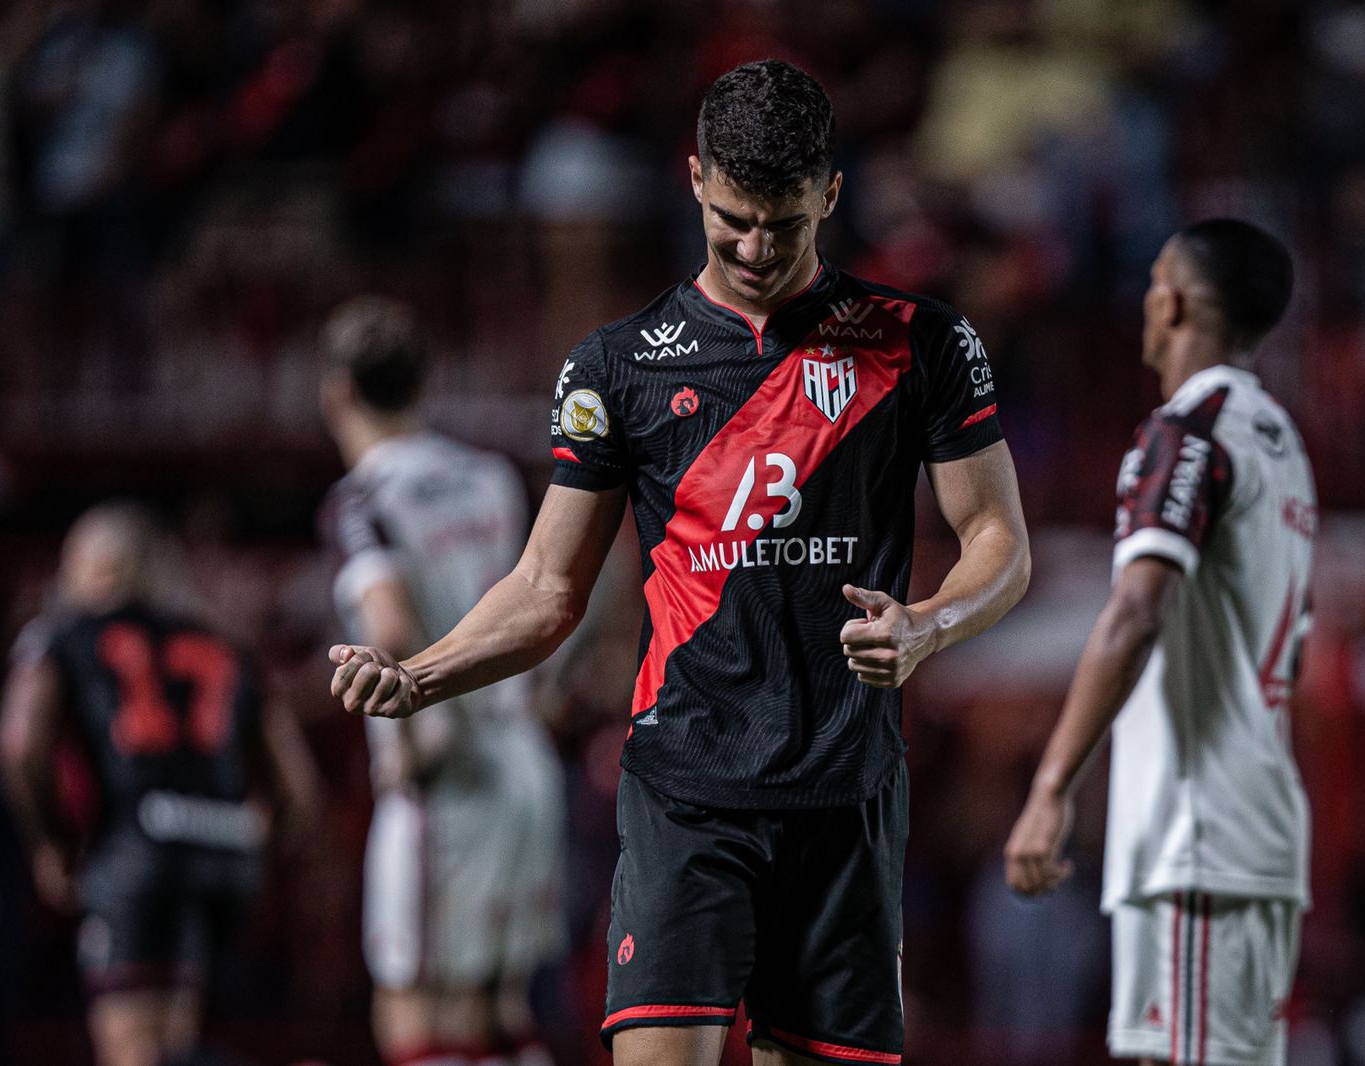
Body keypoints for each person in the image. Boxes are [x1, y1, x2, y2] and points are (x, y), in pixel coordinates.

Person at [331, 59, 1030, 1066]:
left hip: (846, 793)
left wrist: (928, 623)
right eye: (734, 219)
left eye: (784, 225)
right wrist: (419, 674)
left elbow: (999, 542)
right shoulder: (616, 367)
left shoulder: (918, 343)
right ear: (695, 177)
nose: (756, 249)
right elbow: (547, 587)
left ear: (831, 195)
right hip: (685, 791)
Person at [1004, 219, 1315, 1066]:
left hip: (1198, 831)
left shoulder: (1189, 431)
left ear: (1172, 300)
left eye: (1151, 284)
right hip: (1242, 823)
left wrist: (1051, 786)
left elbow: (1135, 611)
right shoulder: (1282, 445)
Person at [318, 295, 565, 1066]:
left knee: (416, 1006)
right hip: (522, 761)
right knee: (500, 1007)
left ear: (337, 392)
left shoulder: (362, 500)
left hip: (447, 771)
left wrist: (409, 739)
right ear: (423, 384)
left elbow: (388, 630)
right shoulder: (490, 475)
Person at [0, 502, 318, 1066]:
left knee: (133, 1050)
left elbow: (21, 747)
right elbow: (297, 788)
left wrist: (52, 842)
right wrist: (253, 847)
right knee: (172, 1041)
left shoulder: (62, 633)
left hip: (137, 849)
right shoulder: (227, 643)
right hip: (229, 851)